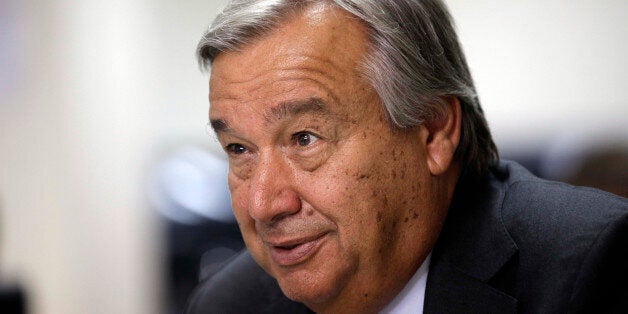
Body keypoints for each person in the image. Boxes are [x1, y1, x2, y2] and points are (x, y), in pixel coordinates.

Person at [185, 0, 628, 313]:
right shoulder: (227, 303)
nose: (263, 204)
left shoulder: (589, 269)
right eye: (239, 149)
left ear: (433, 131)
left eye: (304, 138)